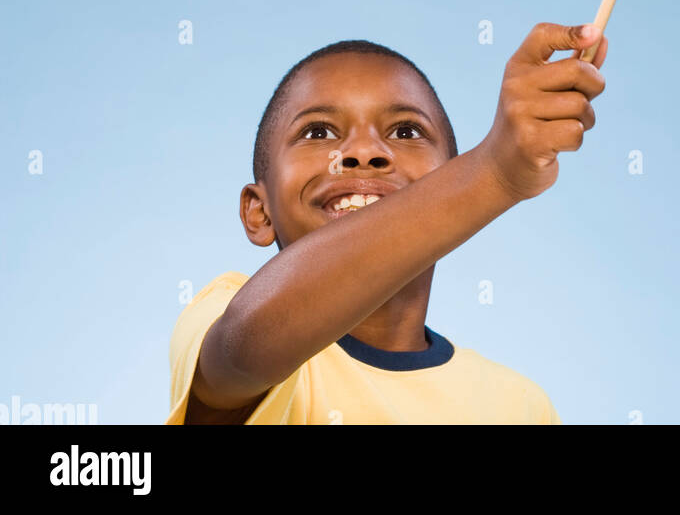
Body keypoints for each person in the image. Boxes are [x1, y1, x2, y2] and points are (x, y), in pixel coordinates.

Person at [166, 21, 608, 425]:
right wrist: (494, 173)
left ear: (446, 183)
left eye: (405, 132)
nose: (363, 151)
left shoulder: (522, 406)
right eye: (318, 132)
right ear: (258, 212)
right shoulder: (222, 315)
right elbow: (244, 351)